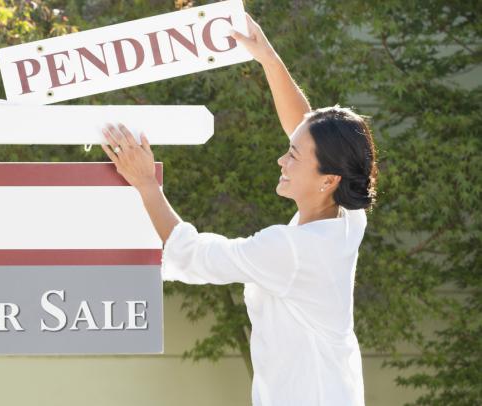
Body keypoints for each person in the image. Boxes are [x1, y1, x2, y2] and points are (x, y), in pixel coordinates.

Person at [101, 16, 377, 406]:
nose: (282, 159)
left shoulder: (291, 250)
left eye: (292, 156)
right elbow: (306, 128)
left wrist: (146, 183)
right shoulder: (347, 217)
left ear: (328, 179)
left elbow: (194, 255)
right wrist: (267, 58)